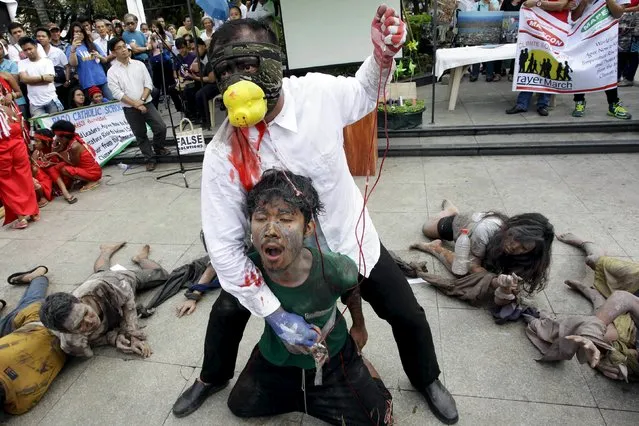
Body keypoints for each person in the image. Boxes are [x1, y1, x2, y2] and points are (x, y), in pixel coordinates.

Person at [172, 11, 459, 425]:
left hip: (349, 240)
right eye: (226, 71)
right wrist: (271, 312)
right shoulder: (223, 154)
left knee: (406, 312)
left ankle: (427, 378)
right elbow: (223, 245)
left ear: (273, 64)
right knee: (226, 313)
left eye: (247, 66)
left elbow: (364, 91)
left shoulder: (317, 94)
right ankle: (211, 377)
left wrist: (383, 54)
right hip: (277, 260)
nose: (237, 82)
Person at [224, 170, 392, 424]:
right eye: (261, 218)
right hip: (275, 358)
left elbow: (351, 291)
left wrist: (359, 326)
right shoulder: (250, 269)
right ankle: (299, 397)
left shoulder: (336, 268)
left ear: (308, 227)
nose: (271, 230)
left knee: (378, 420)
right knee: (239, 405)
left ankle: (360, 365)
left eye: (285, 218)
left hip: (333, 358)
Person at [525, 232, 639, 380]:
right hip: (635, 284)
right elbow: (623, 298)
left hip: (632, 325)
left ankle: (595, 296)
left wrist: (605, 363)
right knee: (593, 261)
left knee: (599, 340)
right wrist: (591, 333)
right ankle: (587, 245)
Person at [39, 243, 168, 358]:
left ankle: (140, 258)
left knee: (162, 275)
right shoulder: (72, 343)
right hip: (96, 280)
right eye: (79, 325)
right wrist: (114, 338)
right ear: (67, 332)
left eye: (85, 313)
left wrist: (132, 332)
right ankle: (106, 250)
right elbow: (92, 344)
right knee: (100, 271)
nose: (90, 321)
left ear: (80, 301)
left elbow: (127, 297)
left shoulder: (103, 286)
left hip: (114, 279)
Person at [414, 200, 554, 304]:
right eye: (515, 237)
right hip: (465, 225)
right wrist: (494, 281)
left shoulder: (532, 256)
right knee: (428, 230)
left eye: (524, 248)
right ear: (513, 228)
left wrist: (509, 287)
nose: (515, 246)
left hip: (484, 238)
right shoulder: (485, 230)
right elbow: (471, 267)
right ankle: (437, 240)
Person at [0, 265, 66, 415]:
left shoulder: (20, 406)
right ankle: (38, 276)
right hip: (36, 320)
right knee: (33, 300)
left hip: (53, 339)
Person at [107, 36, 170, 172]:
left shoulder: (139, 64)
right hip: (130, 108)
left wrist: (141, 101)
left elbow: (148, 84)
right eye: (119, 48)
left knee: (161, 127)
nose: (124, 50)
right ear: (113, 52)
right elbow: (117, 93)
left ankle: (158, 148)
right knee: (140, 134)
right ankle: (149, 158)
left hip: (146, 103)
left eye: (124, 46)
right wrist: (136, 104)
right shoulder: (112, 72)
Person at [505, 0, 570, 116]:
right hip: (538, 28)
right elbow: (528, 3)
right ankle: (522, 103)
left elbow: (560, 5)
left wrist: (538, 3)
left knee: (550, 67)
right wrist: (541, 4)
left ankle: (543, 104)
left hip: (557, 30)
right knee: (532, 63)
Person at [571, 0, 632, 119]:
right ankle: (579, 101)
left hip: (605, 38)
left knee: (607, 70)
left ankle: (613, 104)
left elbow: (618, 13)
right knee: (579, 68)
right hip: (582, 37)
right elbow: (574, 17)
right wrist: (584, 3)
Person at [0, 76, 38, 229]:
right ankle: (32, 212)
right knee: (24, 178)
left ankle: (21, 217)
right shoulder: (9, 108)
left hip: (4, 149)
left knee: (8, 183)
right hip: (17, 145)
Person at [45, 120, 102, 199]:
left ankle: (92, 180)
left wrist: (59, 156)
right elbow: (54, 152)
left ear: (64, 136)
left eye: (57, 136)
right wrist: (55, 144)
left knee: (64, 169)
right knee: (54, 168)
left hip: (93, 173)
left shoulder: (75, 146)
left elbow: (74, 164)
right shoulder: (68, 141)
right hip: (87, 169)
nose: (56, 138)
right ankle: (65, 191)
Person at [17, 37, 64, 117]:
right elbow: (24, 79)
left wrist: (31, 81)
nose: (28, 52)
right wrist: (42, 78)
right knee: (41, 128)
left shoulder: (47, 61)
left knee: (57, 126)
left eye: (30, 48)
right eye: (25, 50)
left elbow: (49, 79)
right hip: (34, 103)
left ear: (36, 46)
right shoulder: (22, 63)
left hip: (51, 99)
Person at [66, 21, 114, 100]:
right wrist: (73, 49)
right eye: (76, 32)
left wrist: (99, 56)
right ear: (72, 33)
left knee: (112, 101)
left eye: (81, 31)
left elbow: (105, 60)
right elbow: (73, 64)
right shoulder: (70, 48)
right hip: (88, 83)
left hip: (102, 80)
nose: (79, 34)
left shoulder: (93, 44)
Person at [35, 27, 72, 110]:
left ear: (49, 38)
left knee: (64, 107)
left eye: (43, 36)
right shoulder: (35, 54)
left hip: (60, 86)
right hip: (44, 88)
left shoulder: (57, 51)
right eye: (38, 36)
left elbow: (67, 66)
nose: (40, 38)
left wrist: (67, 80)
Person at [468, 0, 500, 82]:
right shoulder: (476, 5)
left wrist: (490, 4)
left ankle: (489, 74)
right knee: (477, 53)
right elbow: (473, 18)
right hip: (478, 32)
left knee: (489, 54)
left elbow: (495, 15)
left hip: (490, 32)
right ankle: (474, 74)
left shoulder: (495, 2)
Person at [0, 40, 28, 116]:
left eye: (0, 48)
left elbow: (16, 86)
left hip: (15, 104)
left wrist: (11, 95)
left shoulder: (11, 65)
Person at [31, 128, 55, 207]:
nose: (35, 144)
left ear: (46, 142)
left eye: (37, 141)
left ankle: (42, 197)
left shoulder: (54, 149)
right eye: (34, 141)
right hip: (41, 179)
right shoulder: (36, 152)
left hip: (55, 179)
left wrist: (52, 163)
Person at [618, 8, 638, 86]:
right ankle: (621, 76)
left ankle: (629, 78)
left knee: (633, 54)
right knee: (621, 54)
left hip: (635, 28)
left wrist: (622, 10)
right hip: (623, 27)